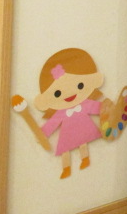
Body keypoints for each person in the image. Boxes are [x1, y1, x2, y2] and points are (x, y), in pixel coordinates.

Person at [35, 48, 108, 179]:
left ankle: (85, 159)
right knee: (65, 149)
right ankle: (66, 168)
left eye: (80, 86)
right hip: (68, 132)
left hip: (84, 127)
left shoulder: (85, 104)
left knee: (83, 142)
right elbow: (52, 124)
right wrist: (42, 134)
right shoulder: (60, 113)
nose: (69, 94)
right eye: (57, 93)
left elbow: (98, 108)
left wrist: (108, 109)